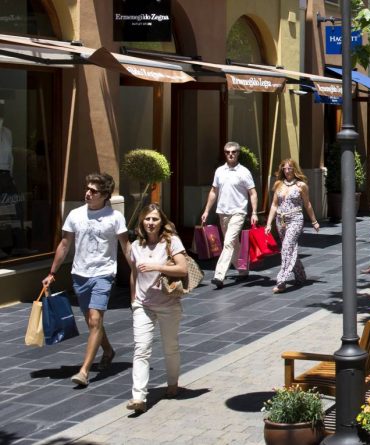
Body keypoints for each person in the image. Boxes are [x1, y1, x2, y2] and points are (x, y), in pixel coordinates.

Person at [43, 172, 130, 387]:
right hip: (79, 274)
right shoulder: (75, 214)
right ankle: (108, 350)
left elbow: (125, 246)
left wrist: (138, 272)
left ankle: (84, 371)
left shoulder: (115, 217)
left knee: (95, 320)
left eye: (94, 191)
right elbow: (65, 244)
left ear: (105, 195)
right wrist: (52, 273)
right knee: (92, 322)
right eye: (87, 189)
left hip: (104, 274)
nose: (88, 193)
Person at [126, 204, 187, 413]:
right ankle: (139, 397)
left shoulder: (171, 242)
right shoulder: (136, 246)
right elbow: (134, 273)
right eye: (147, 219)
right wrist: (133, 299)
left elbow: (182, 269)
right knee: (141, 349)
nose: (150, 223)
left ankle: (173, 384)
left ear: (162, 222)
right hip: (143, 305)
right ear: (141, 221)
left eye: (155, 219)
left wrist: (157, 267)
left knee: (170, 347)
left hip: (168, 304)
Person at [201, 142, 258, 289]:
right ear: (225, 154)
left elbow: (252, 193)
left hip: (238, 212)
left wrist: (254, 212)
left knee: (228, 243)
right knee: (233, 244)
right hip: (223, 212)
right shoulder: (219, 171)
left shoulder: (244, 172)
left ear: (238, 153)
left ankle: (219, 275)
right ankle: (243, 269)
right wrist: (206, 211)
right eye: (227, 152)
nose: (230, 154)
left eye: (233, 152)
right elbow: (213, 191)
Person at [265, 159, 320, 293]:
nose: (287, 171)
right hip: (280, 220)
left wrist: (314, 221)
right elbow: (274, 205)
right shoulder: (278, 184)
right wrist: (268, 223)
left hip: (295, 218)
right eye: (285, 168)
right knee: (290, 249)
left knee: (286, 247)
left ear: (294, 169)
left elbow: (307, 204)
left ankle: (281, 280)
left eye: (290, 168)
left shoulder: (301, 186)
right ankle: (300, 275)